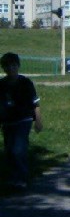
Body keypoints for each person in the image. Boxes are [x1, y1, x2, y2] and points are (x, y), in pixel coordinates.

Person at [0, 53, 43, 190]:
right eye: (7, 66)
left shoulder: (25, 83)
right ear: (3, 68)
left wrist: (38, 120)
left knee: (18, 149)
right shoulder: (2, 84)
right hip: (7, 121)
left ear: (18, 66)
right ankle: (14, 176)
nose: (11, 68)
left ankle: (22, 178)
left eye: (13, 65)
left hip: (23, 120)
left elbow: (35, 103)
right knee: (9, 150)